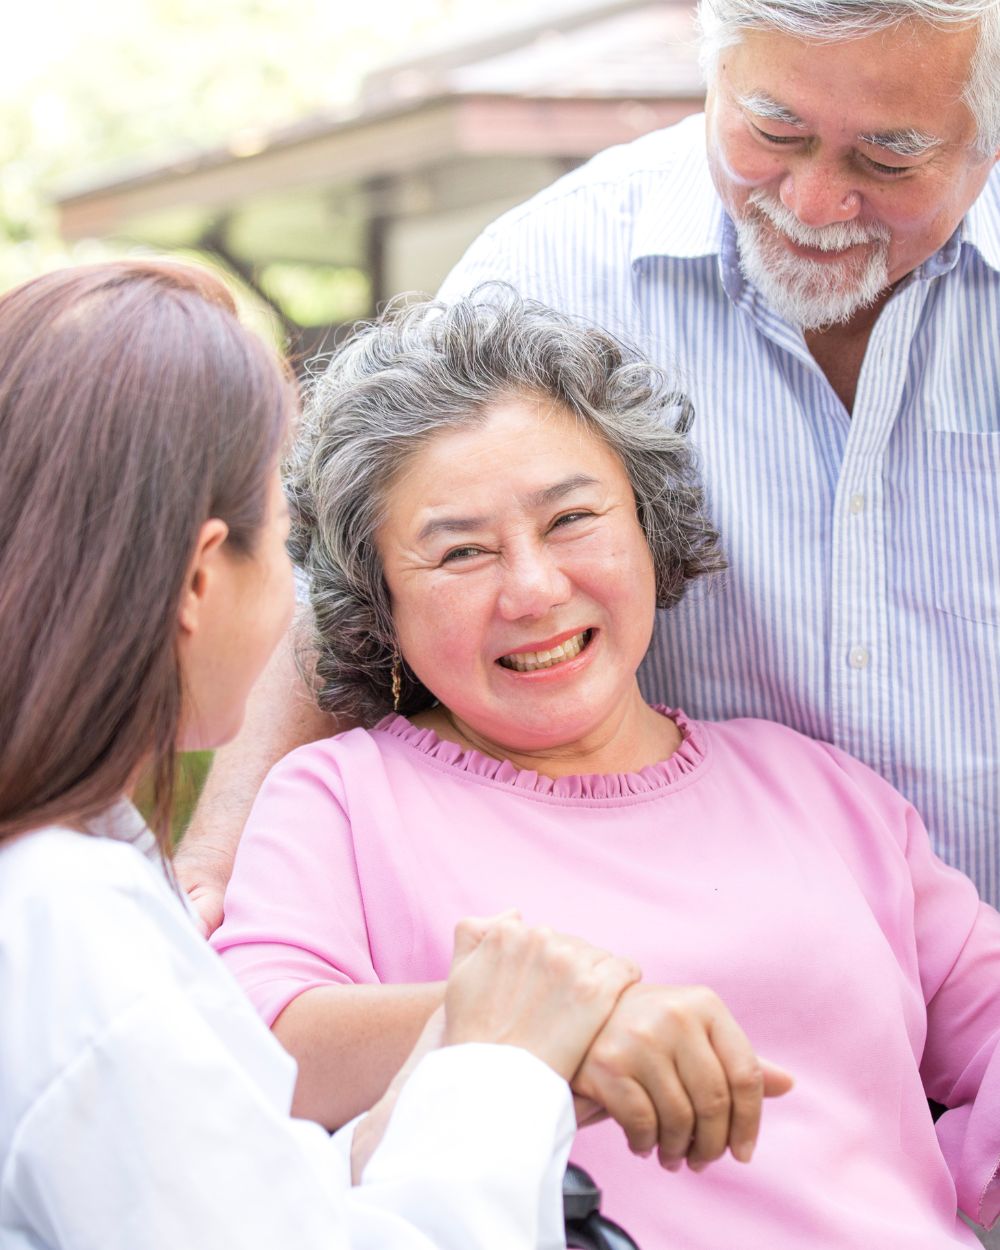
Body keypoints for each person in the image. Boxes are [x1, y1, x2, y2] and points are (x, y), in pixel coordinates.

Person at [173, 0, 1000, 933]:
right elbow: (353, 559)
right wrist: (220, 863)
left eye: (887, 159)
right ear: (714, 71)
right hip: (666, 946)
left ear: (988, 141)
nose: (810, 202)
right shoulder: (556, 260)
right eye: (774, 128)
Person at [215, 290, 1000, 1250]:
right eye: (460, 552)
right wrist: (552, 1030)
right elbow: (251, 1047)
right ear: (378, 601)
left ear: (646, 525)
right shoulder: (342, 798)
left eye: (572, 519)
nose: (535, 589)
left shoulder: (817, 787)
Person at [0, 261, 656, 1250]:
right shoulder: (70, 929)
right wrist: (501, 1062)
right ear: (196, 577)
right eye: (282, 545)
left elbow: (255, 1188)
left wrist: (459, 1046)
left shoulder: (80, 876)